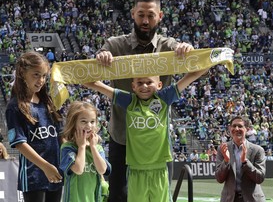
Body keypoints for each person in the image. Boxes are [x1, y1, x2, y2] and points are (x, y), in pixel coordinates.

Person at [95, 0, 195, 202]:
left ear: (160, 15)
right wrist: (101, 56)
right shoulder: (115, 45)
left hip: (153, 144)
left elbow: (193, 62)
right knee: (119, 196)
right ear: (133, 14)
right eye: (141, 15)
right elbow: (93, 69)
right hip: (122, 136)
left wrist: (187, 49)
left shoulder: (170, 47)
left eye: (151, 15)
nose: (145, 21)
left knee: (157, 197)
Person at [84, 69, 208, 202]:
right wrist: (72, 73)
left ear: (159, 85)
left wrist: (211, 59)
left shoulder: (164, 98)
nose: (144, 86)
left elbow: (192, 75)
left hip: (159, 168)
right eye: (140, 82)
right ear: (133, 86)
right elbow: (96, 85)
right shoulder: (129, 101)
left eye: (149, 82)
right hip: (136, 169)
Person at [5, 51, 63, 202]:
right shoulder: (14, 107)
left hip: (55, 170)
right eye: (36, 75)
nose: (41, 80)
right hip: (34, 176)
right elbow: (19, 144)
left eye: (44, 76)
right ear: (23, 73)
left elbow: (60, 133)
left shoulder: (48, 101)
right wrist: (45, 166)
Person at [59, 101, 111, 202]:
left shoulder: (98, 148)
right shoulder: (67, 148)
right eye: (83, 121)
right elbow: (78, 169)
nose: (89, 126)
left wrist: (93, 147)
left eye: (92, 121)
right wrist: (82, 147)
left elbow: (102, 170)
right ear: (73, 123)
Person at [215, 116, 266, 202]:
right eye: (234, 126)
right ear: (230, 128)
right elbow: (219, 179)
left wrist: (245, 162)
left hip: (252, 199)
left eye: (240, 126)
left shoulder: (257, 150)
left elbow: (260, 178)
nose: (236, 129)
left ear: (247, 129)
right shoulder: (223, 149)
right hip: (229, 199)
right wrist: (226, 161)